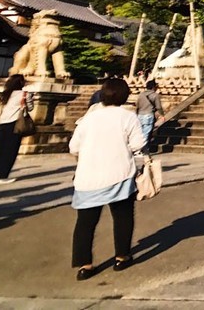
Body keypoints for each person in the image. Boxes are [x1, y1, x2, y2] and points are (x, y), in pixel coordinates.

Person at [70, 78, 147, 279]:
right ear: (125, 96)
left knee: (85, 222)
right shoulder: (128, 117)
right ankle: (122, 256)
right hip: (119, 173)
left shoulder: (88, 119)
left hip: (88, 176)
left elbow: (73, 148)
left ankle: (84, 265)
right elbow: (138, 143)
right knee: (122, 217)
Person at [0, 74, 31, 185]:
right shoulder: (24, 94)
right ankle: (1, 175)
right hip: (14, 124)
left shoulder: (6, 94)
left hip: (2, 123)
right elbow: (30, 107)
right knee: (9, 151)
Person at [135, 80, 164, 154]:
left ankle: (143, 149)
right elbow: (158, 107)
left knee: (140, 133)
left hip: (140, 115)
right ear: (154, 87)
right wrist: (162, 115)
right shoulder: (155, 95)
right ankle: (140, 150)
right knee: (146, 134)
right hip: (148, 115)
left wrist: (136, 114)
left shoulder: (141, 94)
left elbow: (137, 106)